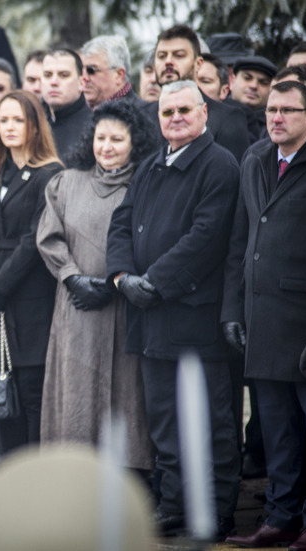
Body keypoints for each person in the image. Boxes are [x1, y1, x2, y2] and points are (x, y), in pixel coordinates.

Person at [105, 80, 241, 539]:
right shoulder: (149, 166)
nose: (176, 118)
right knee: (164, 421)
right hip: (148, 316)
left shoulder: (219, 165)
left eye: (185, 109)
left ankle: (217, 509)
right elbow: (121, 223)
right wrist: (123, 277)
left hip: (193, 315)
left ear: (204, 113)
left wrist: (156, 283)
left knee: (212, 421)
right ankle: (175, 504)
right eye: (167, 112)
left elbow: (206, 237)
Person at [220, 81, 306, 551]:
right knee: (277, 431)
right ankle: (280, 516)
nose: (276, 118)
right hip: (262, 319)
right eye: (271, 110)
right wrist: (233, 310)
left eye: (287, 110)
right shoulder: (254, 160)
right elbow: (240, 243)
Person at [36, 100, 156, 475]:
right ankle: (72, 474)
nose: (106, 146)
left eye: (117, 139)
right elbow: (49, 238)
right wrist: (72, 277)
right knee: (75, 391)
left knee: (127, 393)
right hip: (77, 306)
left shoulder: (147, 184)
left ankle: (127, 476)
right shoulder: (66, 182)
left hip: (125, 307)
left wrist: (116, 282)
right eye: (100, 137)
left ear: (134, 142)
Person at [0, 89, 63, 454]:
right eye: (3, 120)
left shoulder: (49, 174)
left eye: (17, 119)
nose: (8, 127)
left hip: (30, 300)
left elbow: (33, 241)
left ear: (34, 126)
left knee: (31, 392)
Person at [143, 24, 250, 161]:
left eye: (179, 55)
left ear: (198, 63)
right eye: (162, 56)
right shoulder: (141, 114)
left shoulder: (227, 118)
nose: (168, 61)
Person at [41, 48, 91, 165]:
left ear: (82, 83)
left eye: (63, 75)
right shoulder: (32, 124)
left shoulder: (94, 128)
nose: (53, 82)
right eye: (47, 75)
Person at [80, 35, 141, 108]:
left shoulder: (146, 115)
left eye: (91, 70)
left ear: (118, 75)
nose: (84, 78)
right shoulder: (79, 115)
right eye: (81, 71)